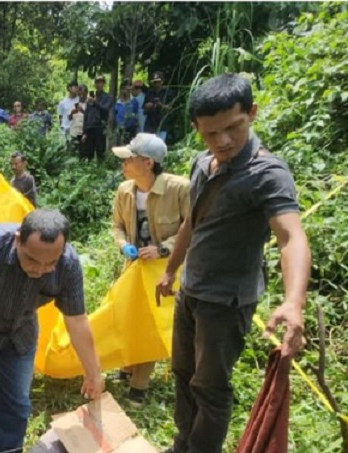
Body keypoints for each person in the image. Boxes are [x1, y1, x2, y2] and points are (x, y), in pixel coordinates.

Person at [156, 74, 311, 453]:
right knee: (182, 376)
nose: (223, 141)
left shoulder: (267, 173)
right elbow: (192, 221)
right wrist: (171, 269)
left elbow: (291, 236)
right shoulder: (201, 164)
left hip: (225, 303)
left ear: (252, 114)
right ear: (197, 130)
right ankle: (182, 445)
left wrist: (294, 302)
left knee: (210, 389)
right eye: (211, 133)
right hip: (190, 292)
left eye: (233, 128)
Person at [0, 209, 103, 453]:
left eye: (50, 263)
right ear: (18, 239)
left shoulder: (68, 264)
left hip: (20, 334)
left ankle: (10, 450)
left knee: (17, 402)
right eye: (31, 260)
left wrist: (93, 372)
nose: (39, 270)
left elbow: (77, 320)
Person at [110, 133, 190, 405]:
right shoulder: (125, 191)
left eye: (128, 159)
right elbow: (117, 226)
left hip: (166, 271)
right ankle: (127, 365)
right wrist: (123, 246)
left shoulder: (180, 189)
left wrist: (163, 249)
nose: (123, 164)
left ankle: (139, 385)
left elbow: (192, 228)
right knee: (127, 317)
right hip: (133, 269)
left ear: (147, 163)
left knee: (152, 324)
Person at [82, 75, 114, 161]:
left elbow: (105, 109)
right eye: (97, 82)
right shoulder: (90, 98)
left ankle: (101, 171)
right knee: (89, 153)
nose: (99, 84)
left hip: (100, 127)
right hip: (90, 128)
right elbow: (86, 114)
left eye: (101, 82)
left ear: (103, 83)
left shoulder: (108, 97)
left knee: (100, 152)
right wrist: (84, 131)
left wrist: (96, 102)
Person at [144, 71, 176, 142]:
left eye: (158, 81)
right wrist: (148, 106)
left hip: (162, 124)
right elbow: (144, 110)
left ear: (162, 81)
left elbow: (171, 109)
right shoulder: (149, 93)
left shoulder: (168, 93)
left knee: (160, 145)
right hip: (150, 125)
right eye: (154, 82)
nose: (156, 84)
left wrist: (161, 105)